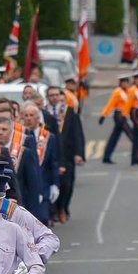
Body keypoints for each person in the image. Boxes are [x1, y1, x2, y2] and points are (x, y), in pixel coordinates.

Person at [48, 86, 85, 224]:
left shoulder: (69, 112)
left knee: (67, 184)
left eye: (56, 94)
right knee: (52, 183)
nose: (54, 97)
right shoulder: (45, 113)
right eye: (51, 95)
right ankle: (53, 212)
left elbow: (77, 133)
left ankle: (63, 207)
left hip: (68, 153)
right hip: (52, 153)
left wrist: (79, 153)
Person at [19, 104, 57, 224]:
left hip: (44, 184)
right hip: (25, 187)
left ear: (38, 118)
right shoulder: (19, 138)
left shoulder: (48, 137)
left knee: (42, 219)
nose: (29, 118)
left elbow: (53, 162)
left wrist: (55, 184)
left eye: (32, 115)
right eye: (26, 115)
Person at [99, 74, 136, 165]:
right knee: (131, 134)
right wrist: (103, 115)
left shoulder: (128, 92)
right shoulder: (117, 92)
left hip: (124, 115)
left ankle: (106, 156)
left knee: (114, 137)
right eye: (124, 82)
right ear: (120, 83)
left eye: (127, 82)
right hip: (119, 115)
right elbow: (110, 104)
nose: (126, 84)